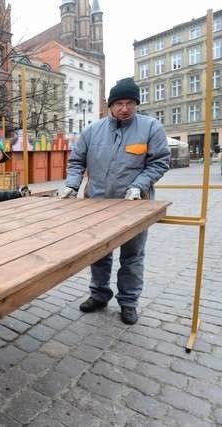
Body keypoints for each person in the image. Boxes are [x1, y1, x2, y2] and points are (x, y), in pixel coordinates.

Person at [58, 78, 170, 325]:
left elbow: (159, 162)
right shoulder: (92, 131)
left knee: (132, 257)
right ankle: (98, 295)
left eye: (130, 102)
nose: (124, 108)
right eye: (119, 102)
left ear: (136, 104)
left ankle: (128, 303)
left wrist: (138, 186)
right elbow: (77, 162)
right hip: (96, 204)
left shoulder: (150, 128)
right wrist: (71, 185)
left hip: (133, 206)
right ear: (110, 105)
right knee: (99, 254)